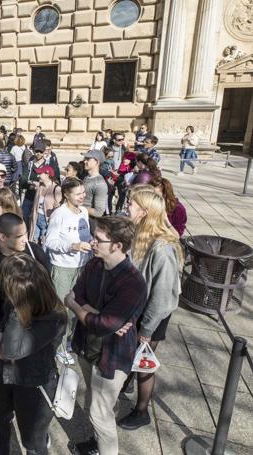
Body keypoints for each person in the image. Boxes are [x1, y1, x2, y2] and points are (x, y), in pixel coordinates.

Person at [65, 216, 147, 455]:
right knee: (97, 402)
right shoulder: (94, 264)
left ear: (117, 245)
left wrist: (86, 310)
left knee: (99, 414)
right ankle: (96, 443)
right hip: (87, 348)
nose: (91, 242)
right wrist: (97, 315)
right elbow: (72, 297)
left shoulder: (133, 282)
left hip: (111, 357)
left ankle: (106, 449)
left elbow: (100, 323)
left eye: (98, 239)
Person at [0, 253, 67, 455]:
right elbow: (5, 321)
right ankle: (0, 448)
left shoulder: (54, 317)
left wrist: (16, 306)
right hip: (9, 375)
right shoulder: (18, 303)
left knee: (32, 440)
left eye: (6, 284)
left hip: (34, 384)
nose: (2, 286)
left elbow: (12, 351)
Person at [118, 191, 183, 431]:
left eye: (131, 204)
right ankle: (125, 385)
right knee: (132, 357)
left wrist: (146, 330)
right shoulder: (140, 234)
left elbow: (163, 297)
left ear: (144, 212)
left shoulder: (162, 248)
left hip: (152, 316)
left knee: (143, 363)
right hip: (137, 311)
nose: (127, 206)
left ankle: (141, 411)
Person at [0, 212, 49, 350]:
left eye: (26, 233)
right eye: (19, 236)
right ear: (2, 237)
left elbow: (48, 290)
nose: (25, 239)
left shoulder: (35, 253)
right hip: (2, 335)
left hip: (33, 331)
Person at [44, 177, 92, 365]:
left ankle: (69, 340)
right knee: (62, 309)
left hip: (82, 267)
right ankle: (59, 347)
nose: (82, 196)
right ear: (66, 194)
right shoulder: (59, 214)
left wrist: (91, 244)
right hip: (63, 268)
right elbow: (50, 242)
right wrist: (72, 246)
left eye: (83, 192)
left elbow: (85, 235)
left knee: (77, 308)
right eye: (78, 193)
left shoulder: (84, 212)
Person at [29, 165, 62, 244]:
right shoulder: (40, 186)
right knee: (33, 242)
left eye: (40, 173)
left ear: (47, 175)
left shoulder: (56, 189)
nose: (38, 175)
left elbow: (59, 209)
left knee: (45, 243)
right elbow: (31, 183)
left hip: (47, 220)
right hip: (36, 217)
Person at [82, 150, 109, 217]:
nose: (84, 161)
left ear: (97, 162)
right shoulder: (86, 177)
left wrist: (75, 206)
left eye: (88, 159)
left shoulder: (100, 184)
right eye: (85, 159)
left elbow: (98, 213)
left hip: (88, 222)